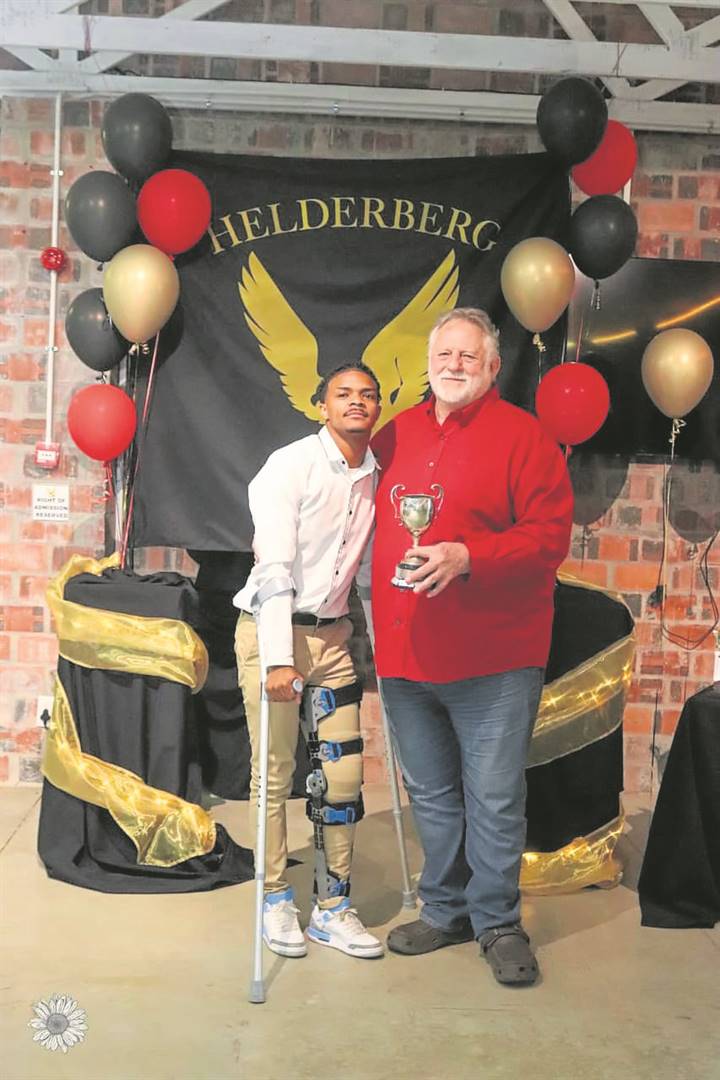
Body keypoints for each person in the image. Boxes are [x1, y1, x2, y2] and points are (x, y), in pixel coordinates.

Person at [368, 308, 573, 985]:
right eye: (445, 354)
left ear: (492, 367)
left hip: (494, 657)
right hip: (407, 654)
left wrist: (468, 556)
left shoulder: (525, 438)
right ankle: (447, 909)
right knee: (431, 795)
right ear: (429, 363)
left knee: (493, 798)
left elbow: (548, 537)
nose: (454, 365)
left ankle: (498, 922)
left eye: (468, 356)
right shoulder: (393, 435)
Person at [233, 361, 384, 960]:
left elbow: (363, 568)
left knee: (343, 779)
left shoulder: (376, 476)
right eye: (343, 394)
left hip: (332, 642)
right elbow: (273, 569)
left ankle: (332, 907)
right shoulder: (289, 466)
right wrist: (276, 659)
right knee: (275, 773)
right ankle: (274, 896)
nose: (356, 402)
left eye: (367, 395)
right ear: (323, 406)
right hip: (272, 634)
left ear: (378, 408)